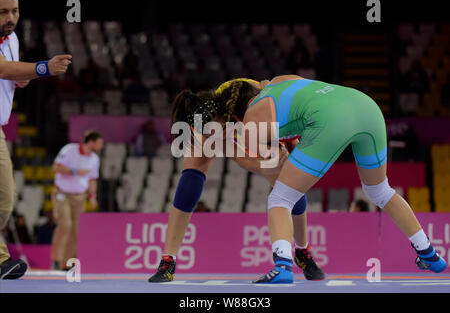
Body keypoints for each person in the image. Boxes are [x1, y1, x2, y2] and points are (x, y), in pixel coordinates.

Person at [169, 75, 448, 284]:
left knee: (280, 197)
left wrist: (255, 151)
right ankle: (429, 255)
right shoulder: (278, 81)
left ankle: (283, 267)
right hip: (367, 108)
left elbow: (252, 160)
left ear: (233, 112)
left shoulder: (250, 119)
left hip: (330, 120)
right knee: (380, 191)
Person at [148, 78, 325, 283]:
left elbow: (258, 151)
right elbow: (242, 160)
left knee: (289, 183)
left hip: (259, 122)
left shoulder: (255, 104)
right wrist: (261, 161)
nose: (210, 139)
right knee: (190, 182)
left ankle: (303, 252)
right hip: (230, 125)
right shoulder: (207, 120)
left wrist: (282, 160)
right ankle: (168, 261)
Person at [0, 0, 72, 280]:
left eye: (15, 11)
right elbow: (3, 68)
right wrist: (44, 68)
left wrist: (23, 78)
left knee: (5, 199)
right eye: (3, 12)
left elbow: (12, 75)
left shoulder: (13, 39)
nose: (10, 18)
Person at [50, 130, 103, 270]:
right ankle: (56, 258)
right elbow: (55, 167)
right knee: (65, 224)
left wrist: (93, 196)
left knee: (75, 229)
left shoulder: (94, 159)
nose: (101, 146)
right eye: (99, 143)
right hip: (63, 194)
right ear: (91, 142)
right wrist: (74, 172)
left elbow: (92, 179)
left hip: (79, 197)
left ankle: (66, 263)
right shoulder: (69, 150)